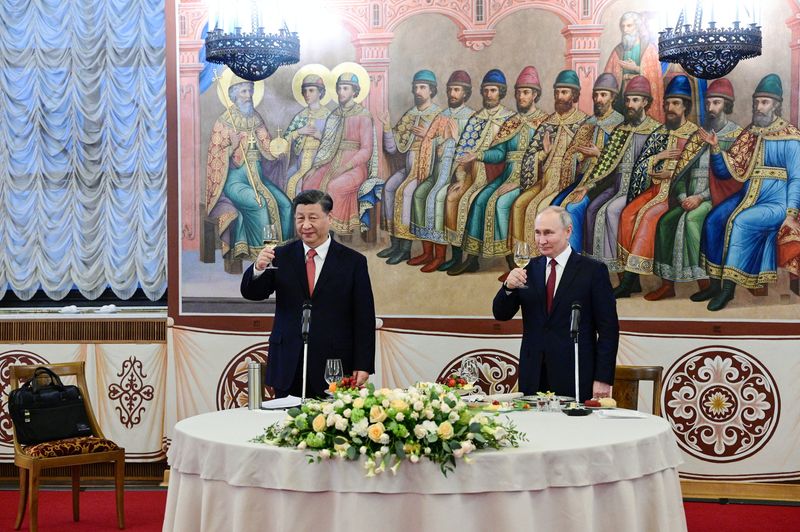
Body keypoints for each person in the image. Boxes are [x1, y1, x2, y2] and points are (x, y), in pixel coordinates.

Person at [240, 189, 376, 398]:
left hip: (333, 366)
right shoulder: (281, 256)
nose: (305, 225)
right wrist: (258, 267)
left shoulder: (353, 262)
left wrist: (363, 364)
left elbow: (364, 317)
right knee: (283, 427)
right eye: (300, 218)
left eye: (313, 218)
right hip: (288, 363)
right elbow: (253, 293)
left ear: (329, 218)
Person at [696, 74, 800, 311]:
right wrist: (714, 149)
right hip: (747, 196)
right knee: (713, 220)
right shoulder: (750, 133)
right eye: (756, 103)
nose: (759, 107)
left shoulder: (791, 136)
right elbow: (726, 172)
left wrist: (791, 213)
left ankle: (727, 291)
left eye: (764, 102)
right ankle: (713, 284)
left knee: (740, 221)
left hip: (777, 202)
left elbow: (797, 178)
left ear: (776, 105)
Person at [492, 206, 618, 401]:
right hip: (533, 374)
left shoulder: (593, 271)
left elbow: (609, 330)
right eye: (537, 233)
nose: (542, 241)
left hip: (575, 375)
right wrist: (508, 287)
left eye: (548, 233)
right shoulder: (528, 269)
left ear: (568, 231)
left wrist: (603, 377)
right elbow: (501, 314)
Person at [648, 79, 742, 300]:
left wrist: (699, 198)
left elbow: (733, 180)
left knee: (692, 221)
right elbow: (681, 173)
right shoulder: (697, 136)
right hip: (689, 197)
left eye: (716, 103)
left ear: (726, 106)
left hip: (718, 199)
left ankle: (706, 282)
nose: (711, 108)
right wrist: (682, 196)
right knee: (666, 222)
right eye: (708, 103)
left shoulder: (736, 136)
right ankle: (667, 284)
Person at [449, 66, 548, 276]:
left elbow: (545, 159)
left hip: (530, 179)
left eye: (526, 92)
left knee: (500, 203)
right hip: (506, 176)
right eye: (519, 92)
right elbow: (500, 153)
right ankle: (473, 258)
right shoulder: (511, 123)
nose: (521, 96)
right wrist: (478, 155)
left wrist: (521, 183)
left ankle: (513, 261)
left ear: (535, 95)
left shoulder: (544, 122)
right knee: (479, 200)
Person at [614, 75, 698, 297]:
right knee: (627, 214)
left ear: (685, 107)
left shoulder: (695, 135)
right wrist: (655, 162)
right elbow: (643, 164)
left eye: (676, 104)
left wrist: (674, 174)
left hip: (677, 194)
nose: (670, 108)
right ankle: (632, 281)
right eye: (668, 103)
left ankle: (650, 283)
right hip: (656, 190)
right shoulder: (660, 132)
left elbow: (701, 173)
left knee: (649, 218)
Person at [560, 76, 660, 261]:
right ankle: (591, 262)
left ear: (645, 102)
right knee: (591, 211)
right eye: (628, 100)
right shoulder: (621, 130)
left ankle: (621, 265)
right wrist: (588, 186)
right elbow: (606, 162)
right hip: (616, 186)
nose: (630, 104)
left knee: (611, 211)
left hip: (641, 188)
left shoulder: (656, 130)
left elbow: (657, 165)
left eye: (635, 100)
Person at [206, 74, 294, 264]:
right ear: (234, 95)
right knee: (260, 203)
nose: (249, 95)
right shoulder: (223, 122)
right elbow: (215, 157)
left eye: (250, 91)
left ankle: (285, 252)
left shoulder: (256, 118)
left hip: (259, 179)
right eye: (244, 91)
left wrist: (277, 150)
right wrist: (232, 146)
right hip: (235, 181)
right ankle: (264, 255)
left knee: (286, 205)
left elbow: (266, 145)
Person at [439, 69, 515, 271]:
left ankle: (474, 259)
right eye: (486, 91)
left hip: (497, 175)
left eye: (493, 90)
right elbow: (462, 152)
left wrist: (479, 156)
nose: (489, 95)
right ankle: (457, 256)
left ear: (501, 92)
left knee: (470, 201)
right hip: (473, 174)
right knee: (452, 198)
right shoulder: (476, 119)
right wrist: (461, 178)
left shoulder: (510, 119)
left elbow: (504, 155)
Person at [511, 70, 588, 250]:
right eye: (557, 92)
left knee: (536, 209)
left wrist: (579, 156)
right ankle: (521, 258)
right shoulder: (549, 122)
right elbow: (531, 155)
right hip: (545, 180)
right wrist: (544, 153)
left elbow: (586, 160)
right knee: (519, 204)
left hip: (566, 182)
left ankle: (538, 261)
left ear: (574, 95)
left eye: (564, 92)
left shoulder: (585, 122)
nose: (559, 96)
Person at [408, 70, 474, 272]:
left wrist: (453, 141)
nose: (452, 94)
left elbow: (470, 150)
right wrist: (437, 140)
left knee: (436, 198)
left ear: (465, 94)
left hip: (457, 173)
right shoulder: (442, 115)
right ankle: (427, 252)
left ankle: (439, 255)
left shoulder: (470, 117)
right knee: (419, 195)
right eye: (450, 90)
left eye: (457, 90)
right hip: (437, 171)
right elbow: (431, 141)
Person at [377, 70, 442, 264]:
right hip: (409, 168)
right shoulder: (410, 115)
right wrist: (388, 127)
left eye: (422, 87)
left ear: (431, 90)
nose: (418, 91)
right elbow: (392, 148)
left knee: (404, 193)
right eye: (415, 88)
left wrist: (429, 136)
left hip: (427, 170)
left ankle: (405, 248)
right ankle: (395, 243)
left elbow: (449, 145)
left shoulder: (439, 115)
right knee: (389, 187)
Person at [302, 73, 378, 236]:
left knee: (334, 187)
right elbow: (326, 144)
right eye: (339, 88)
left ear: (354, 91)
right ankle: (313, 229)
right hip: (331, 161)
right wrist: (316, 167)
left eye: (345, 88)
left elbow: (366, 150)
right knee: (309, 182)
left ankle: (334, 234)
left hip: (355, 166)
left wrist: (345, 167)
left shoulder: (363, 115)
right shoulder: (334, 115)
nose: (341, 92)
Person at [603, 11, 664, 122]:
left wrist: (636, 68)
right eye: (623, 26)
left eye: (629, 25)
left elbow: (655, 75)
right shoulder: (618, 50)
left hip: (641, 96)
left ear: (637, 27)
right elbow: (608, 77)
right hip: (622, 97)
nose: (625, 30)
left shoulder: (649, 49)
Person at [283, 73, 331, 199]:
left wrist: (319, 136)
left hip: (320, 162)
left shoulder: (329, 116)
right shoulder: (301, 116)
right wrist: (299, 132)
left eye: (311, 90)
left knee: (303, 184)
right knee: (288, 180)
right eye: (304, 91)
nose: (307, 94)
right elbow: (284, 141)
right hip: (300, 162)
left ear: (320, 92)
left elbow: (334, 143)